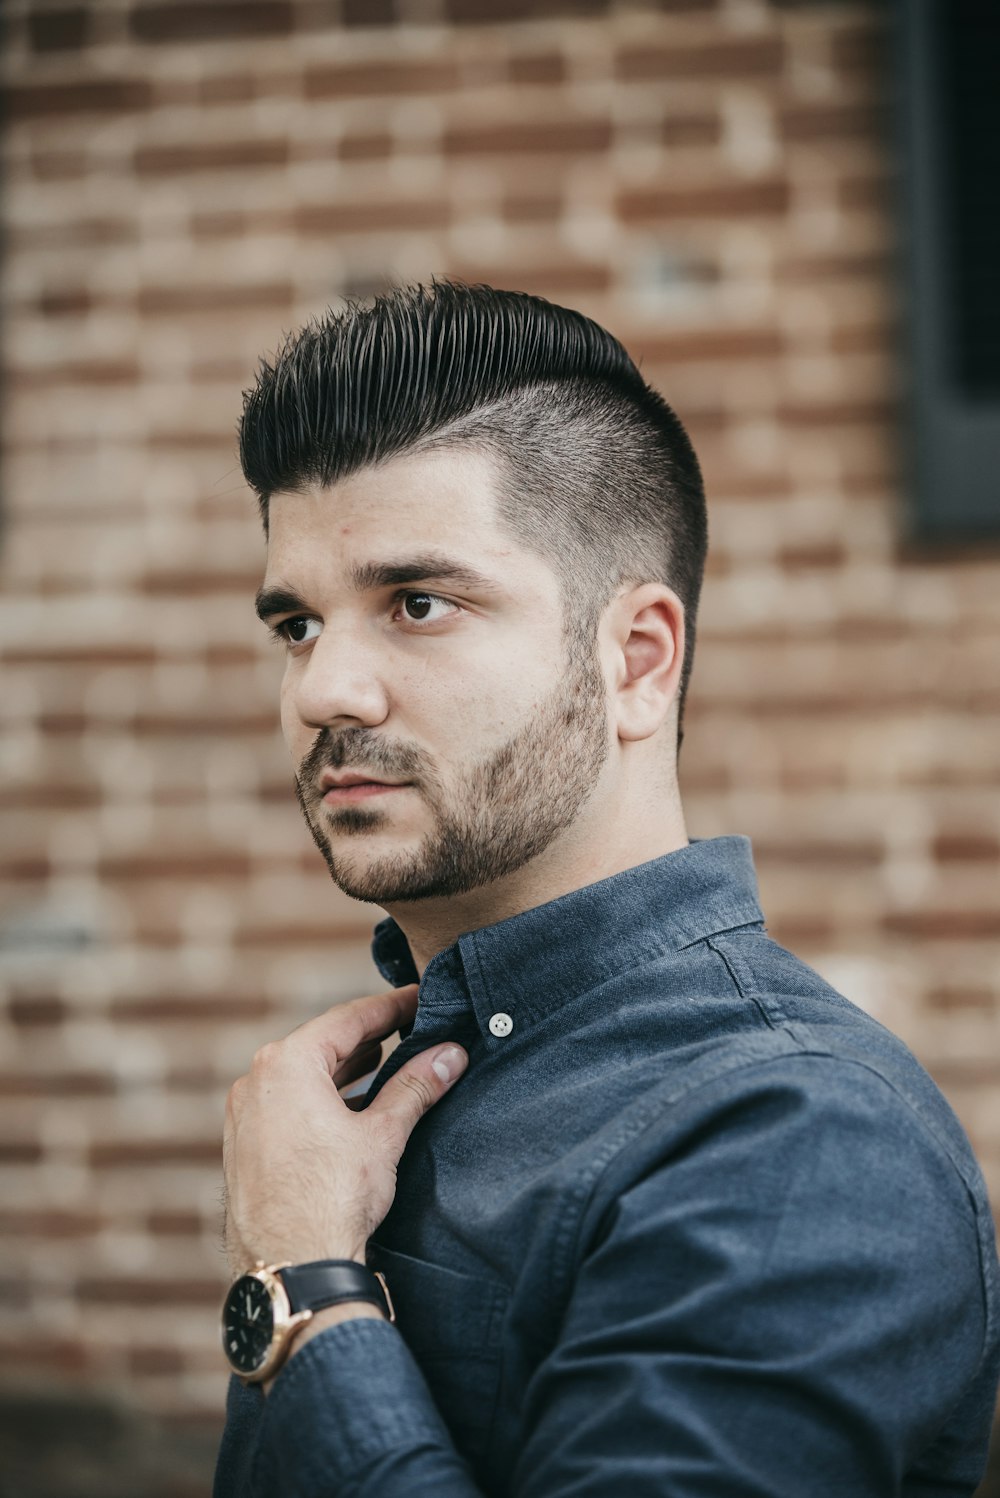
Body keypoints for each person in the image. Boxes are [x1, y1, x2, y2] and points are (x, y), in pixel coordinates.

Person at [213, 281, 999, 1497]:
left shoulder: (796, 1140)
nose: (325, 691)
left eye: (417, 604)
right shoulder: (385, 1089)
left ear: (636, 660)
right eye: (298, 625)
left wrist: (306, 1283)